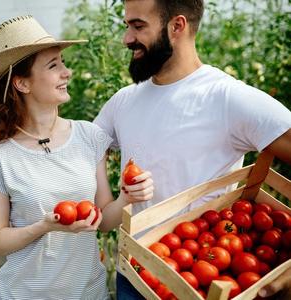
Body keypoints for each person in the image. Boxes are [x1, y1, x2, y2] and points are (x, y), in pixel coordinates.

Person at [93, 0, 291, 298]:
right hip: (133, 276)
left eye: (138, 26)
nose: (127, 39)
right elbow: (85, 147)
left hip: (196, 281)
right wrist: (109, 206)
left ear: (177, 26)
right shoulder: (124, 100)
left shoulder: (228, 98)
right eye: (127, 27)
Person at [0, 15, 153, 299]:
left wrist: (127, 198)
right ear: (22, 84)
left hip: (88, 293)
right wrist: (43, 227)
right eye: (53, 65)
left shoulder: (88, 136)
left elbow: (104, 220)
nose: (66, 72)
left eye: (63, 63)